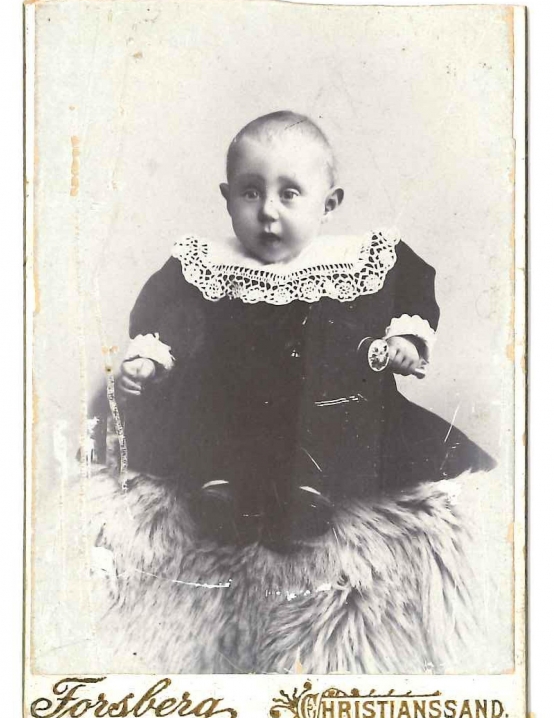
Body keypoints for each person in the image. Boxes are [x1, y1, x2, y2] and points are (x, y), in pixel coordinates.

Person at [116, 111, 494, 551]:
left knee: (349, 419)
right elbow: (168, 312)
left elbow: (410, 284)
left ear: (328, 204)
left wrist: (404, 338)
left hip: (324, 402)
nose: (267, 211)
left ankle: (307, 494)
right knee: (205, 411)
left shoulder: (353, 257)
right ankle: (220, 492)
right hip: (235, 402)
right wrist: (148, 357)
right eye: (250, 192)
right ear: (227, 197)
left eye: (289, 194)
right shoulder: (206, 262)